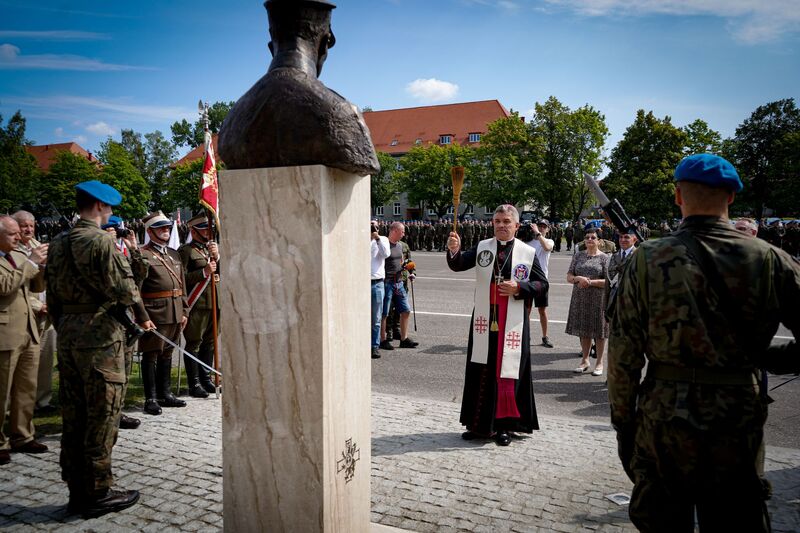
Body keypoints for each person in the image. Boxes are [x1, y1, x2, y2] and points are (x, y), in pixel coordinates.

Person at [608, 154, 800, 533]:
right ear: (731, 197)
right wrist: (769, 358)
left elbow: (623, 349)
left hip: (664, 414)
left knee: (662, 520)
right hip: (736, 416)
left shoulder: (647, 257)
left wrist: (623, 420)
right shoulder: (771, 259)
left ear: (678, 196)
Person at [46, 180, 141, 517]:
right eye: (110, 207)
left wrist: (67, 325)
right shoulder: (102, 241)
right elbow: (127, 292)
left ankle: (76, 485)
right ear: (100, 206)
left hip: (69, 334)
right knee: (103, 414)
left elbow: (53, 295)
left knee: (75, 413)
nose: (111, 213)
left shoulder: (57, 243)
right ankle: (98, 492)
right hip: (100, 338)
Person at [447, 205, 548, 446]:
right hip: (485, 317)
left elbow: (542, 284)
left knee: (507, 372)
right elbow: (459, 264)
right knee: (481, 368)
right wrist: (454, 250)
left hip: (511, 319)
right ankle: (479, 425)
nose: (501, 225)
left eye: (506, 221)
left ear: (516, 225)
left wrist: (519, 288)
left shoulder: (526, 251)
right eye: (497, 221)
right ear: (492, 223)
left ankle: (505, 426)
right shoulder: (483, 247)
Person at [0, 215, 48, 466]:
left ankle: (23, 434)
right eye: (12, 234)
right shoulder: (19, 258)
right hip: (5, 333)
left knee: (26, 387)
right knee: (2, 390)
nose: (19, 237)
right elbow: (5, 285)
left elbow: (33, 285)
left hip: (29, 329)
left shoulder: (19, 254)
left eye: (19, 233)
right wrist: (30, 262)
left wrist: (41, 266)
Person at [133, 212, 189, 413]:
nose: (166, 230)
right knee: (151, 355)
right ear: (150, 231)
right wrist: (142, 317)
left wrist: (185, 311)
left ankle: (165, 394)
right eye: (161, 228)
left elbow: (182, 286)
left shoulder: (174, 254)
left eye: (167, 227)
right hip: (155, 313)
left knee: (167, 353)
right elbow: (135, 290)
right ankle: (151, 398)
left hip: (175, 312)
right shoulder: (143, 255)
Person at [12, 210, 56, 415]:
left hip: (47, 315)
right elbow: (15, 286)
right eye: (23, 226)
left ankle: (43, 401)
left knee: (45, 360)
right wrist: (38, 306)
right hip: (26, 313)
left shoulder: (39, 246)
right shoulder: (11, 250)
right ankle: (19, 406)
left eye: (32, 225)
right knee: (24, 364)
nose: (28, 229)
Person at [179, 214, 220, 396]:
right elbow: (181, 279)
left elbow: (221, 272)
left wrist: (217, 257)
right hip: (197, 304)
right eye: (203, 229)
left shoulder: (210, 250)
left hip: (214, 303)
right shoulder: (186, 251)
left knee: (210, 343)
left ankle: (206, 379)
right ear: (193, 231)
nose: (207, 232)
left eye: (208, 229)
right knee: (194, 343)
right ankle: (194, 384)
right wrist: (203, 272)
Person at [565, 227, 609, 376]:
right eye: (587, 237)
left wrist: (590, 282)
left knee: (599, 332)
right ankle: (585, 360)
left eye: (593, 237)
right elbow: (569, 276)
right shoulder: (578, 256)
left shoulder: (605, 258)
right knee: (584, 331)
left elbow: (608, 281)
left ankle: (599, 363)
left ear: (600, 241)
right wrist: (578, 278)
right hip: (580, 298)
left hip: (599, 299)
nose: (590, 240)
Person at [379, 222, 418, 351]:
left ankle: (404, 338)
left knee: (406, 310)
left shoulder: (401, 246)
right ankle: (382, 340)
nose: (404, 234)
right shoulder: (384, 245)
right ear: (395, 231)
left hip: (399, 282)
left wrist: (408, 271)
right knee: (384, 313)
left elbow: (402, 261)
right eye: (402, 231)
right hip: (387, 282)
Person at [525, 219, 555, 348]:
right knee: (527, 310)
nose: (542, 228)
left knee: (542, 310)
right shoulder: (528, 242)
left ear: (547, 229)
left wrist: (538, 233)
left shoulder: (549, 241)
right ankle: (526, 335)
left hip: (542, 280)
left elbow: (547, 247)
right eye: (540, 226)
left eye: (544, 227)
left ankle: (545, 336)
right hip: (527, 279)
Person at [370, 221, 390, 359]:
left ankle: (374, 346)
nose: (373, 228)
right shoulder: (359, 238)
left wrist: (376, 237)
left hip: (377, 283)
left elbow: (386, 254)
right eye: (371, 226)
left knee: (376, 318)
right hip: (361, 283)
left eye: (375, 226)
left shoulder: (382, 240)